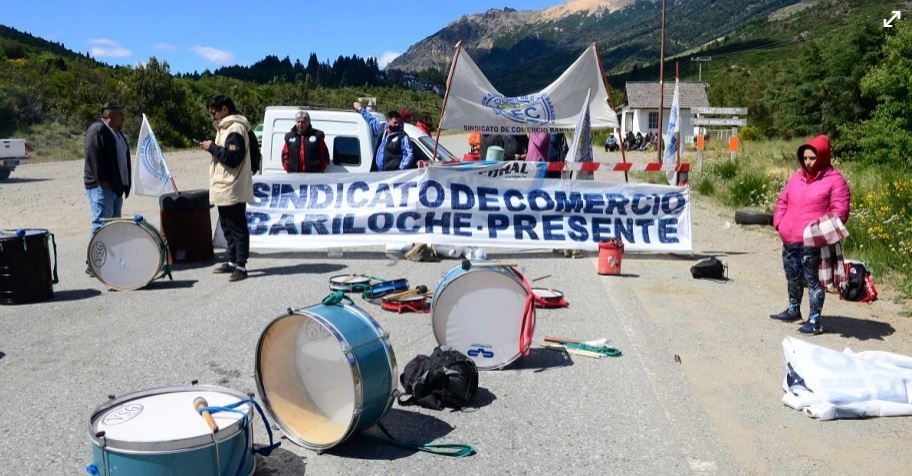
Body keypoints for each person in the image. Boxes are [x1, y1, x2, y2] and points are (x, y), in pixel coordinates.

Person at [770, 135, 850, 335]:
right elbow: (782, 200)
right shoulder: (797, 177)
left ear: (822, 157)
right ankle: (793, 310)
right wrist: (779, 222)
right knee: (792, 276)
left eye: (812, 158)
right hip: (789, 239)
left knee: (814, 281)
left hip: (813, 242)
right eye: (805, 158)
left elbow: (840, 212)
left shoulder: (835, 180)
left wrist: (816, 230)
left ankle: (814, 320)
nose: (807, 162)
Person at [199, 95, 253, 282]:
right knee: (226, 227)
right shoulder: (224, 128)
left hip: (232, 186)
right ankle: (231, 261)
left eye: (213, 112)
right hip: (224, 186)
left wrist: (211, 147)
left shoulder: (235, 128)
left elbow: (232, 158)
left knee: (237, 227)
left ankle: (241, 266)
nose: (211, 116)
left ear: (224, 109)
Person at [84, 102, 131, 276]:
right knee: (100, 225)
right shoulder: (97, 130)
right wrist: (103, 181)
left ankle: (107, 261)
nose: (123, 119)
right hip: (102, 187)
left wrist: (124, 185)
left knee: (113, 227)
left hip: (116, 188)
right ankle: (93, 263)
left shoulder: (117, 133)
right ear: (110, 116)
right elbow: (93, 156)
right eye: (120, 115)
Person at [353, 101, 415, 171]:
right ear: (388, 121)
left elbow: (409, 155)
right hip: (379, 173)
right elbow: (372, 120)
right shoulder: (382, 129)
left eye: (399, 122)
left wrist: (399, 169)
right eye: (395, 123)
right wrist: (360, 109)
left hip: (392, 175)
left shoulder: (403, 136)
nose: (397, 124)